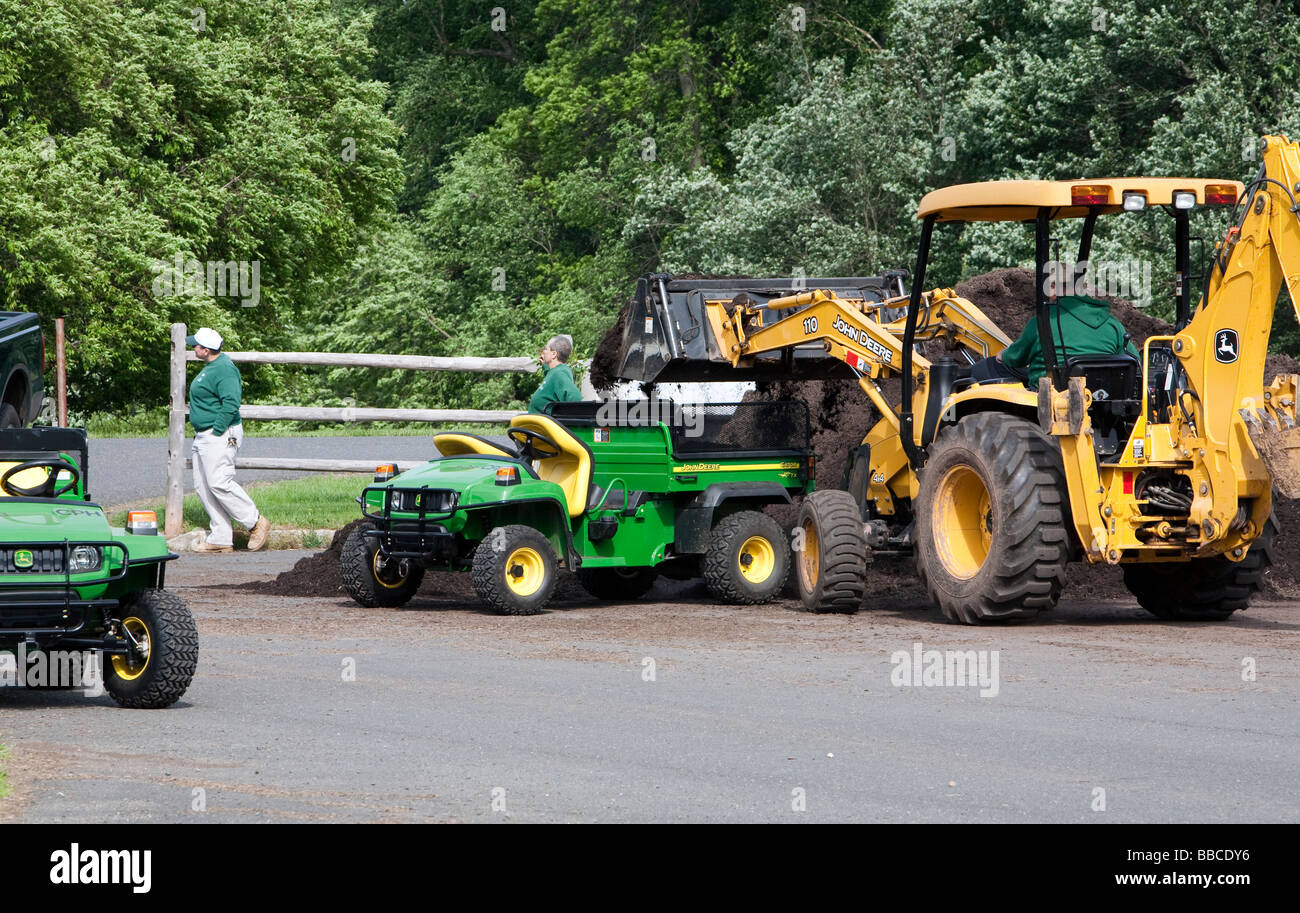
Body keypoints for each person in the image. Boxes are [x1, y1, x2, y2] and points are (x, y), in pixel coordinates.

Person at [186, 327, 270, 553]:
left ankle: (255, 522)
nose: (193, 347)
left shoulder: (224, 369)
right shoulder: (211, 367)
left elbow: (231, 402)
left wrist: (217, 430)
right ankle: (221, 536)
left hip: (218, 434)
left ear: (206, 350)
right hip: (204, 434)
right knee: (203, 486)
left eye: (196, 345)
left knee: (219, 482)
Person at [969, 292, 1137, 387]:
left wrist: (1003, 356)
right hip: (1103, 395)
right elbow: (1133, 359)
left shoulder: (1042, 322)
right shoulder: (1112, 323)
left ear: (1054, 290)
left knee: (987, 367)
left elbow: (1016, 357)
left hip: (1052, 393)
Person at [528, 334, 581, 413]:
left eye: (545, 349)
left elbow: (574, 396)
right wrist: (546, 368)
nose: (543, 352)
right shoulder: (554, 373)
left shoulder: (559, 373)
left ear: (554, 354)